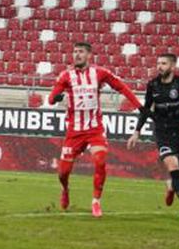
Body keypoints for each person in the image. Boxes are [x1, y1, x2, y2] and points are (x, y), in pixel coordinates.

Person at [47, 41, 142, 217]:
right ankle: (65, 189)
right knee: (63, 172)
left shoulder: (100, 73)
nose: (77, 55)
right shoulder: (66, 76)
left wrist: (139, 106)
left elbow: (121, 87)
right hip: (74, 131)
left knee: (99, 161)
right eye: (75, 52)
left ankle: (96, 201)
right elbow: (52, 98)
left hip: (94, 129)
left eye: (81, 52)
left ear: (89, 55)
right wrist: (56, 97)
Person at [128, 53, 179, 223]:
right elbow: (146, 109)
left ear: (172, 67)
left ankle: (172, 186)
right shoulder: (153, 85)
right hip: (162, 133)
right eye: (158, 63)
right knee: (172, 165)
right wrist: (137, 131)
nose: (160, 66)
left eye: (164, 64)